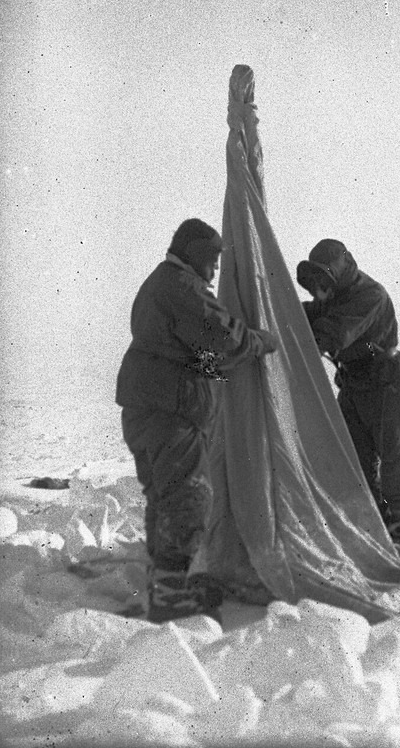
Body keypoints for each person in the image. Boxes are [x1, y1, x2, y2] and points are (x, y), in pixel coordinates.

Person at [115, 218, 278, 623]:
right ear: (194, 254)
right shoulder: (182, 288)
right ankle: (171, 597)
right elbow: (223, 339)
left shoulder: (161, 284)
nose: (217, 268)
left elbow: (188, 349)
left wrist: (218, 372)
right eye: (213, 258)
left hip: (149, 404)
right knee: (189, 498)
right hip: (170, 411)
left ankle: (165, 584)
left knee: (164, 496)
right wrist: (261, 342)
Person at [296, 239, 400, 547]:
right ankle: (374, 519)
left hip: (386, 384)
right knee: (355, 459)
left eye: (325, 275)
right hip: (355, 386)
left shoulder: (369, 294)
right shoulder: (333, 297)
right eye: (315, 279)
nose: (319, 286)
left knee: (394, 455)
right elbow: (307, 314)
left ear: (347, 261)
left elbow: (335, 331)